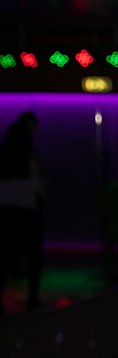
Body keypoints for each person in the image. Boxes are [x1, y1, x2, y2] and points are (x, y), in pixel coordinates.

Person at [0, 112, 45, 313]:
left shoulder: (3, 158)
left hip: (4, 213)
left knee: (3, 257)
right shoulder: (30, 159)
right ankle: (32, 298)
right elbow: (37, 187)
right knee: (34, 257)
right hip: (27, 212)